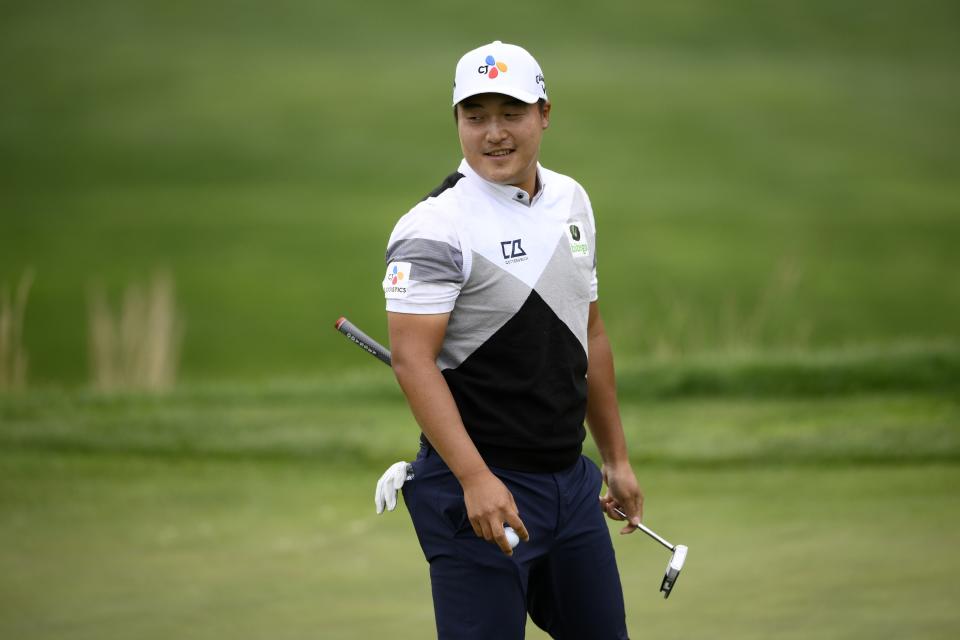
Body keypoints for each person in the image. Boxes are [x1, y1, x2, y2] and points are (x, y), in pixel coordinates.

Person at [376, 40, 643, 639]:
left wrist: (617, 459)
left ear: (544, 114)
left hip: (569, 482)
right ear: (457, 123)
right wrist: (474, 478)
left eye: (511, 113)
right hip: (478, 485)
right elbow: (413, 361)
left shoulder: (572, 200)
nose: (494, 133)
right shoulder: (434, 228)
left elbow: (590, 333)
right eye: (476, 117)